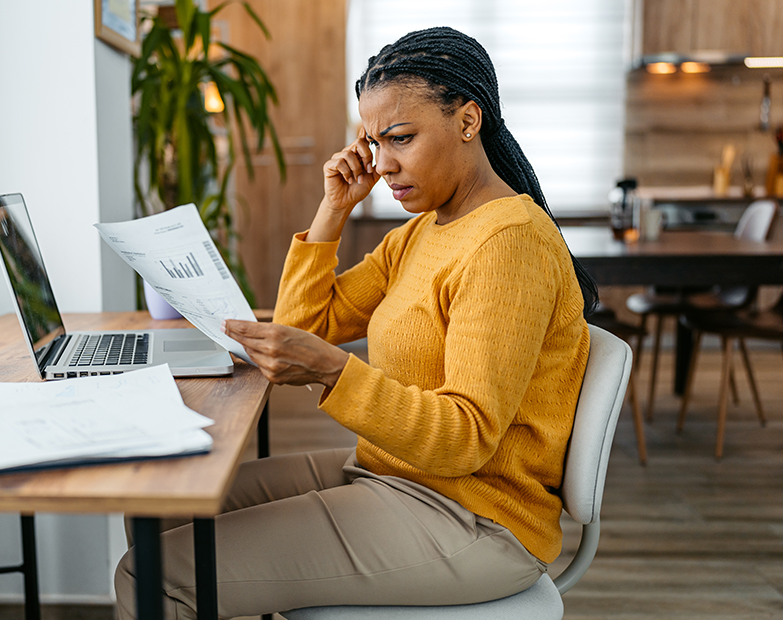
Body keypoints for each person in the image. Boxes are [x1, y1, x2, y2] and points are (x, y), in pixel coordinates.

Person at [115, 26, 596, 620]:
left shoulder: (507, 244)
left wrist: (336, 371)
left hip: (473, 516)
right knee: (161, 509)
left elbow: (466, 438)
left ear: (469, 121)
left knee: (150, 576)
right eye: (374, 142)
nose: (384, 164)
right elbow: (302, 327)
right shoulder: (422, 232)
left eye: (401, 138)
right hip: (391, 474)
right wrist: (333, 209)